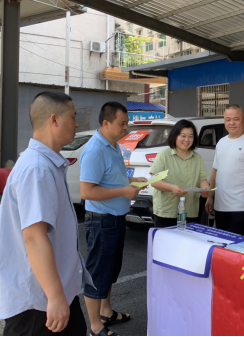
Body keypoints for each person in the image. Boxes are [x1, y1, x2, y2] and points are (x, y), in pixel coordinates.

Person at [0, 91, 92, 336]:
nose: (77, 124)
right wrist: (55, 297)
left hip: (53, 295)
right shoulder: (37, 168)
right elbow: (35, 237)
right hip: (38, 304)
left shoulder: (46, 164)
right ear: (54, 120)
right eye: (73, 117)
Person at [80, 102, 147, 337]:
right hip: (102, 220)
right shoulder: (95, 150)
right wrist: (123, 191)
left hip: (115, 218)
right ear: (106, 123)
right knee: (98, 273)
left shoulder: (113, 144)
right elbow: (87, 191)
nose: (126, 128)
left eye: (127, 123)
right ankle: (95, 326)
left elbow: (112, 178)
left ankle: (106, 312)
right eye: (122, 123)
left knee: (110, 270)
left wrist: (131, 181)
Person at [206, 104, 244, 235]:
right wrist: (210, 196)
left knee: (235, 243)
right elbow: (215, 171)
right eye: (228, 119)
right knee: (221, 241)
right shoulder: (221, 142)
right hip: (220, 205)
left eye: (236, 119)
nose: (231, 123)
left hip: (240, 206)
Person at [150, 119, 210, 227]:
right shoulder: (164, 155)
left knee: (188, 237)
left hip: (190, 210)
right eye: (183, 136)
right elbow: (155, 181)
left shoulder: (197, 158)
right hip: (167, 210)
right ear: (175, 136)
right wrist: (172, 188)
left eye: (191, 136)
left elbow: (202, 180)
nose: (187, 140)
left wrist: (205, 188)